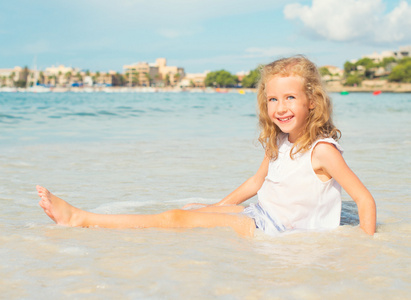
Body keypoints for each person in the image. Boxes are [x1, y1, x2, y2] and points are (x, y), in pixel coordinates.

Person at [36, 55, 376, 237]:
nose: (280, 107)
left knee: (174, 219)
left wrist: (367, 246)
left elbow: (363, 198)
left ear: (312, 102)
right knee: (193, 209)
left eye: (290, 97)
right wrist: (215, 206)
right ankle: (85, 218)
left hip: (277, 231)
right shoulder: (280, 141)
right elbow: (256, 184)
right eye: (273, 99)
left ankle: (81, 218)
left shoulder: (321, 151)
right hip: (261, 215)